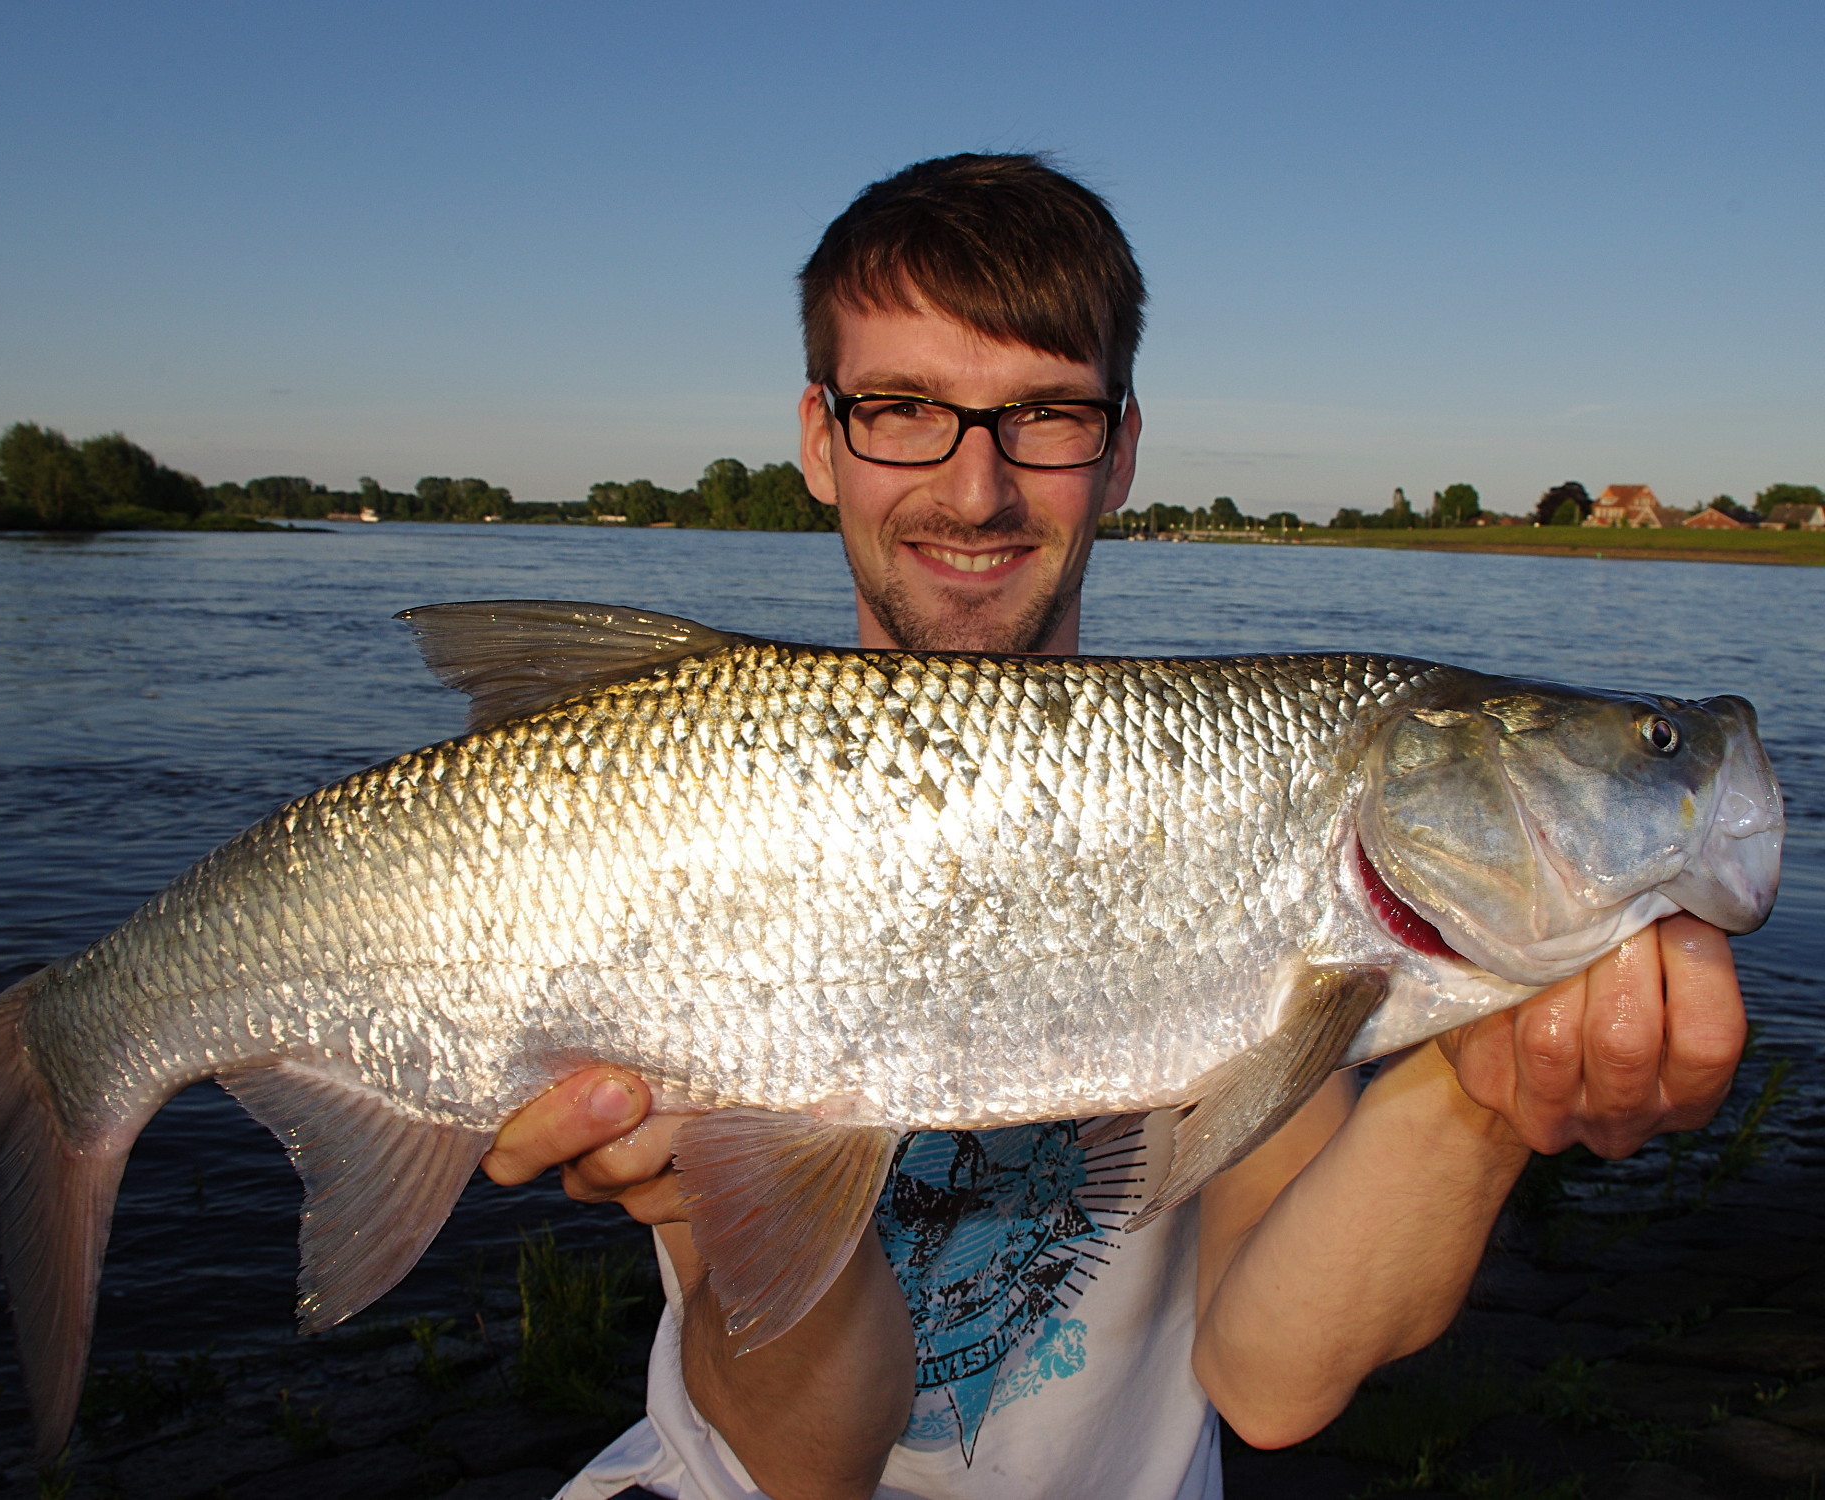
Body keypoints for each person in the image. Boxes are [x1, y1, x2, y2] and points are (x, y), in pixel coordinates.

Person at [485, 154, 1748, 1500]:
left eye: (1045, 415)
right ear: (818, 438)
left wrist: (1489, 1095)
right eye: (904, 409)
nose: (975, 489)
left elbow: (1268, 1383)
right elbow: (803, 1467)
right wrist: (704, 1193)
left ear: (1123, 447)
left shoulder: (1249, 829)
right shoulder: (708, 816)